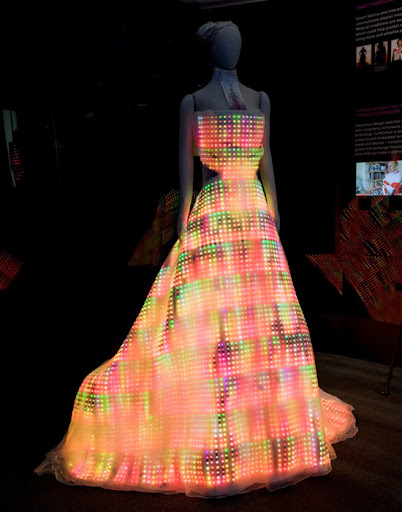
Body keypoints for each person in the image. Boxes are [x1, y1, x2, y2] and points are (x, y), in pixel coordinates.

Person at [34, 21, 358, 498]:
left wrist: (275, 207)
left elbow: (266, 155)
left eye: (238, 42)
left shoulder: (262, 99)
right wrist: (185, 219)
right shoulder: (192, 102)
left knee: (264, 317)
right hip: (216, 210)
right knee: (212, 314)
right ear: (211, 49)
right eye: (226, 42)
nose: (233, 49)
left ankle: (266, 420)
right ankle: (214, 417)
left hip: (254, 214)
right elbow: (186, 167)